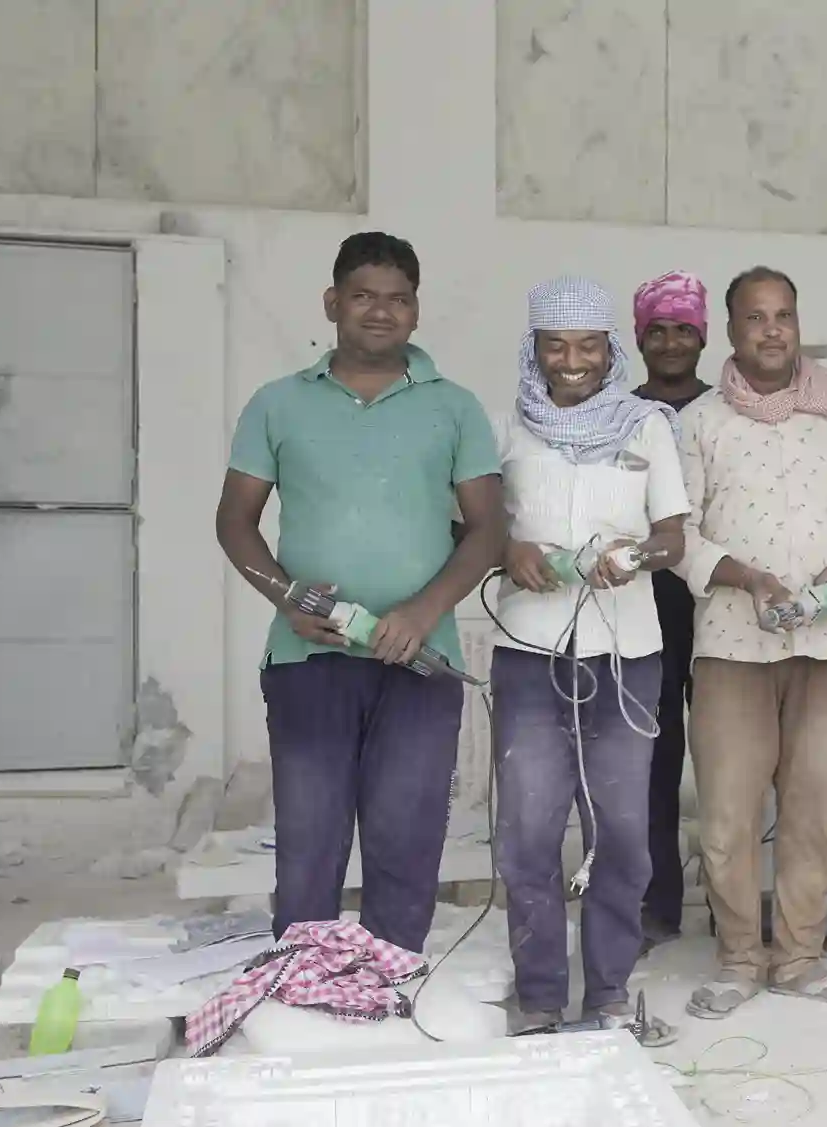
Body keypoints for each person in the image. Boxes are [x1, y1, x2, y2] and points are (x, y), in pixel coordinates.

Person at [215, 231, 505, 950]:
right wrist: (286, 598)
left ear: (415, 311)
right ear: (332, 302)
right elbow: (234, 523)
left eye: (398, 299)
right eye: (364, 295)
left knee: (406, 845)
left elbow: (489, 529)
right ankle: (301, 995)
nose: (381, 311)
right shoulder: (278, 404)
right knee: (310, 846)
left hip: (419, 661)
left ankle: (390, 992)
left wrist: (424, 611)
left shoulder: (455, 407)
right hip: (306, 661)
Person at [675, 266, 827, 1019]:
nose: (772, 330)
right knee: (729, 812)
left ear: (798, 323)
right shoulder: (699, 421)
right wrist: (741, 575)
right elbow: (677, 534)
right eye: (755, 317)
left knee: (817, 803)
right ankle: (739, 955)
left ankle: (800, 955)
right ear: (730, 331)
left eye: (784, 316)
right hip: (733, 641)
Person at [491, 276, 689, 1045]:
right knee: (530, 833)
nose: (570, 361)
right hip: (530, 652)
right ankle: (540, 996)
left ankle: (607, 993)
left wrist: (633, 554)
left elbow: (673, 535)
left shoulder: (646, 426)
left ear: (611, 349)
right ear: (534, 348)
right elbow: (471, 523)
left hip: (625, 655)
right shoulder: (506, 425)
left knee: (621, 832)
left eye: (587, 345)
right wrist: (511, 552)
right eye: (555, 345)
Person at [628, 270, 715, 952]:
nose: (670, 341)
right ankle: (656, 902)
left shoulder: (729, 411)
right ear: (639, 339)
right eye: (657, 329)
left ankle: (731, 900)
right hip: (644, 606)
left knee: (726, 759)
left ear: (703, 336)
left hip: (721, 605)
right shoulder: (618, 415)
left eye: (683, 328)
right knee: (651, 758)